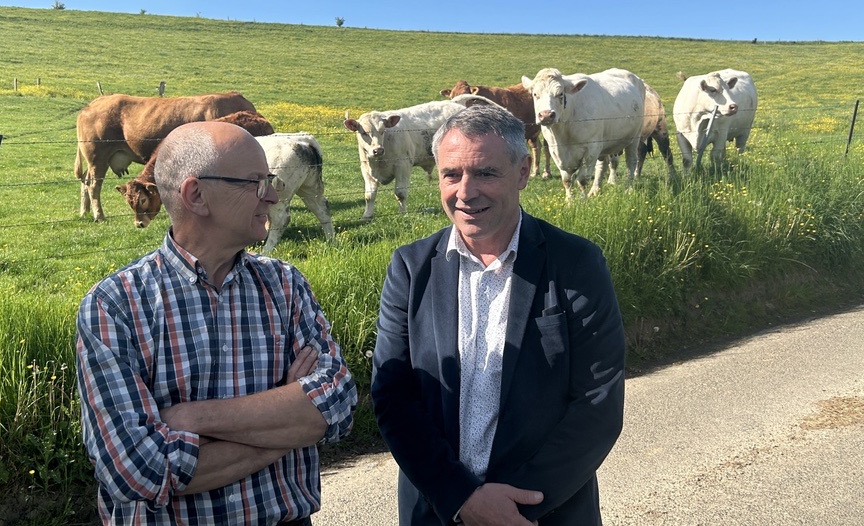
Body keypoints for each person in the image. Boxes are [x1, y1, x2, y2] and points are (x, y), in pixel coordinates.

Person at [76, 121, 358, 525]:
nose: (273, 195)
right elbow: (138, 469)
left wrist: (192, 418)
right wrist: (289, 421)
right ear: (196, 195)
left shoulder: (286, 284)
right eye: (255, 183)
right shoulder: (115, 306)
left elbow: (340, 405)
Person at [371, 104, 625, 525]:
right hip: (437, 510)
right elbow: (394, 396)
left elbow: (597, 403)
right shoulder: (411, 268)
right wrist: (460, 497)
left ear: (523, 172)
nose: (466, 192)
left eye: (486, 173)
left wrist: (514, 508)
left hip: (543, 513)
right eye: (452, 174)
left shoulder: (575, 264)